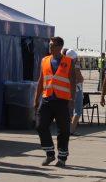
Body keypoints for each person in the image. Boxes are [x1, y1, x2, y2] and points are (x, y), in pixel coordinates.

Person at [34, 37, 75, 167]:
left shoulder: (69, 61)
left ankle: (62, 157)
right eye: (50, 45)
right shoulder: (44, 60)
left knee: (63, 130)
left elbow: (72, 81)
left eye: (52, 45)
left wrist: (72, 100)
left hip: (62, 100)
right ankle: (49, 153)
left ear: (60, 47)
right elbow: (41, 80)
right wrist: (36, 99)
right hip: (47, 99)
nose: (50, 47)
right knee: (40, 126)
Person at [66, 49, 85, 135]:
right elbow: (80, 78)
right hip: (77, 89)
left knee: (69, 110)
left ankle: (67, 128)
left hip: (68, 89)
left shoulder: (64, 64)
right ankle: (71, 130)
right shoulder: (75, 65)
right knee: (77, 111)